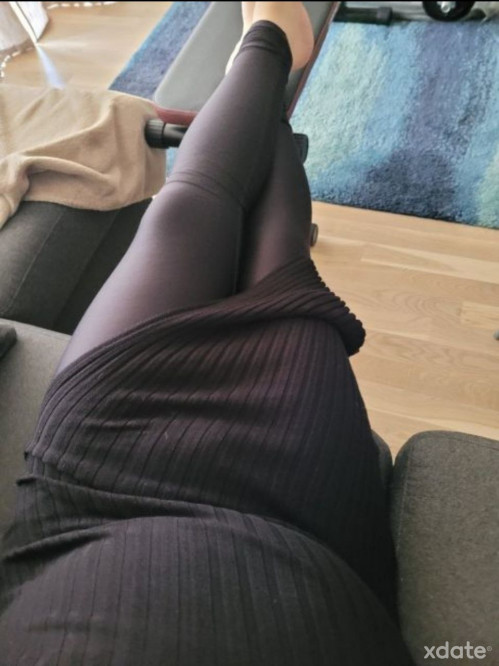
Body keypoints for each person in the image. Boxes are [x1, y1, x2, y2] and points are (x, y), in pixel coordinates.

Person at [0, 3, 414, 664]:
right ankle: (267, 51)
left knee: (188, 206)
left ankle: (267, 48)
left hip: (86, 501)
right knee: (279, 262)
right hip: (298, 525)